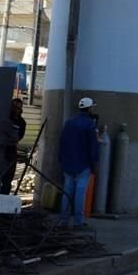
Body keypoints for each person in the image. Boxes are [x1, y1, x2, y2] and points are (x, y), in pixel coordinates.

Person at [58, 97, 99, 227]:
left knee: (67, 192)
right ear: (90, 108)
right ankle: (78, 221)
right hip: (83, 164)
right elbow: (93, 146)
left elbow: (62, 143)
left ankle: (63, 220)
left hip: (68, 163)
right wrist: (94, 165)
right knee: (80, 193)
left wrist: (62, 160)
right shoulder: (90, 124)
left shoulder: (69, 123)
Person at [0, 98, 28, 195]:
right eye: (15, 107)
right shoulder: (5, 118)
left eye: (19, 108)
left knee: (8, 179)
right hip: (1, 150)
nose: (17, 110)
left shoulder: (21, 122)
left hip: (10, 151)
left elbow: (19, 136)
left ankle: (3, 197)